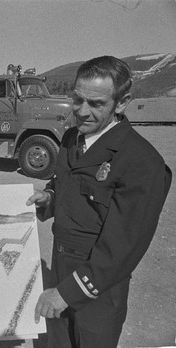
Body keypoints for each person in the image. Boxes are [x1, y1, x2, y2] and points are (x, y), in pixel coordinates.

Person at [26, 56, 172, 348]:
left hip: (100, 280)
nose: (81, 112)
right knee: (59, 342)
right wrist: (49, 198)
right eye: (77, 100)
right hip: (60, 261)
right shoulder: (71, 138)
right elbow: (63, 182)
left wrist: (68, 293)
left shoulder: (141, 162)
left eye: (96, 104)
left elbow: (123, 247)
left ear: (122, 102)